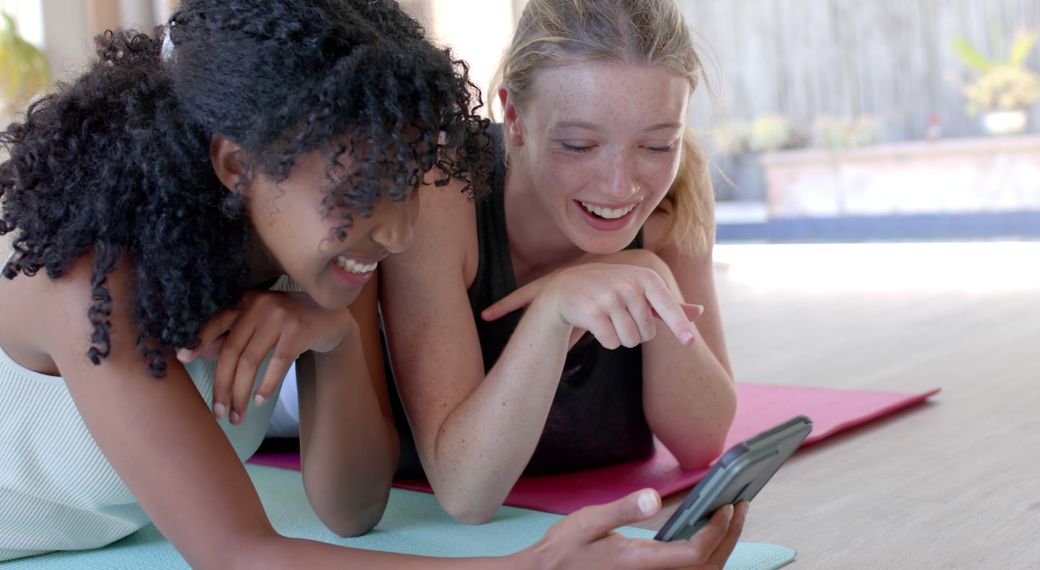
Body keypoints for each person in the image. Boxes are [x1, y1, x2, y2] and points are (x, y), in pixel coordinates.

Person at [0, 0, 744, 568]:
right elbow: (237, 553)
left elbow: (350, 510)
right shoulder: (95, 282)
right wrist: (533, 564)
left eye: (405, 183)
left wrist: (337, 344)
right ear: (236, 165)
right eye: (361, 187)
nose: (394, 232)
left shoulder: (322, 259)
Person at [379, 0, 739, 525]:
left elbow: (702, 442)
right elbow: (465, 491)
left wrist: (652, 273)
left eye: (658, 144)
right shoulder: (443, 186)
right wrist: (554, 310)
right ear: (516, 118)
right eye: (579, 144)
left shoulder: (673, 197)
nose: (622, 186)